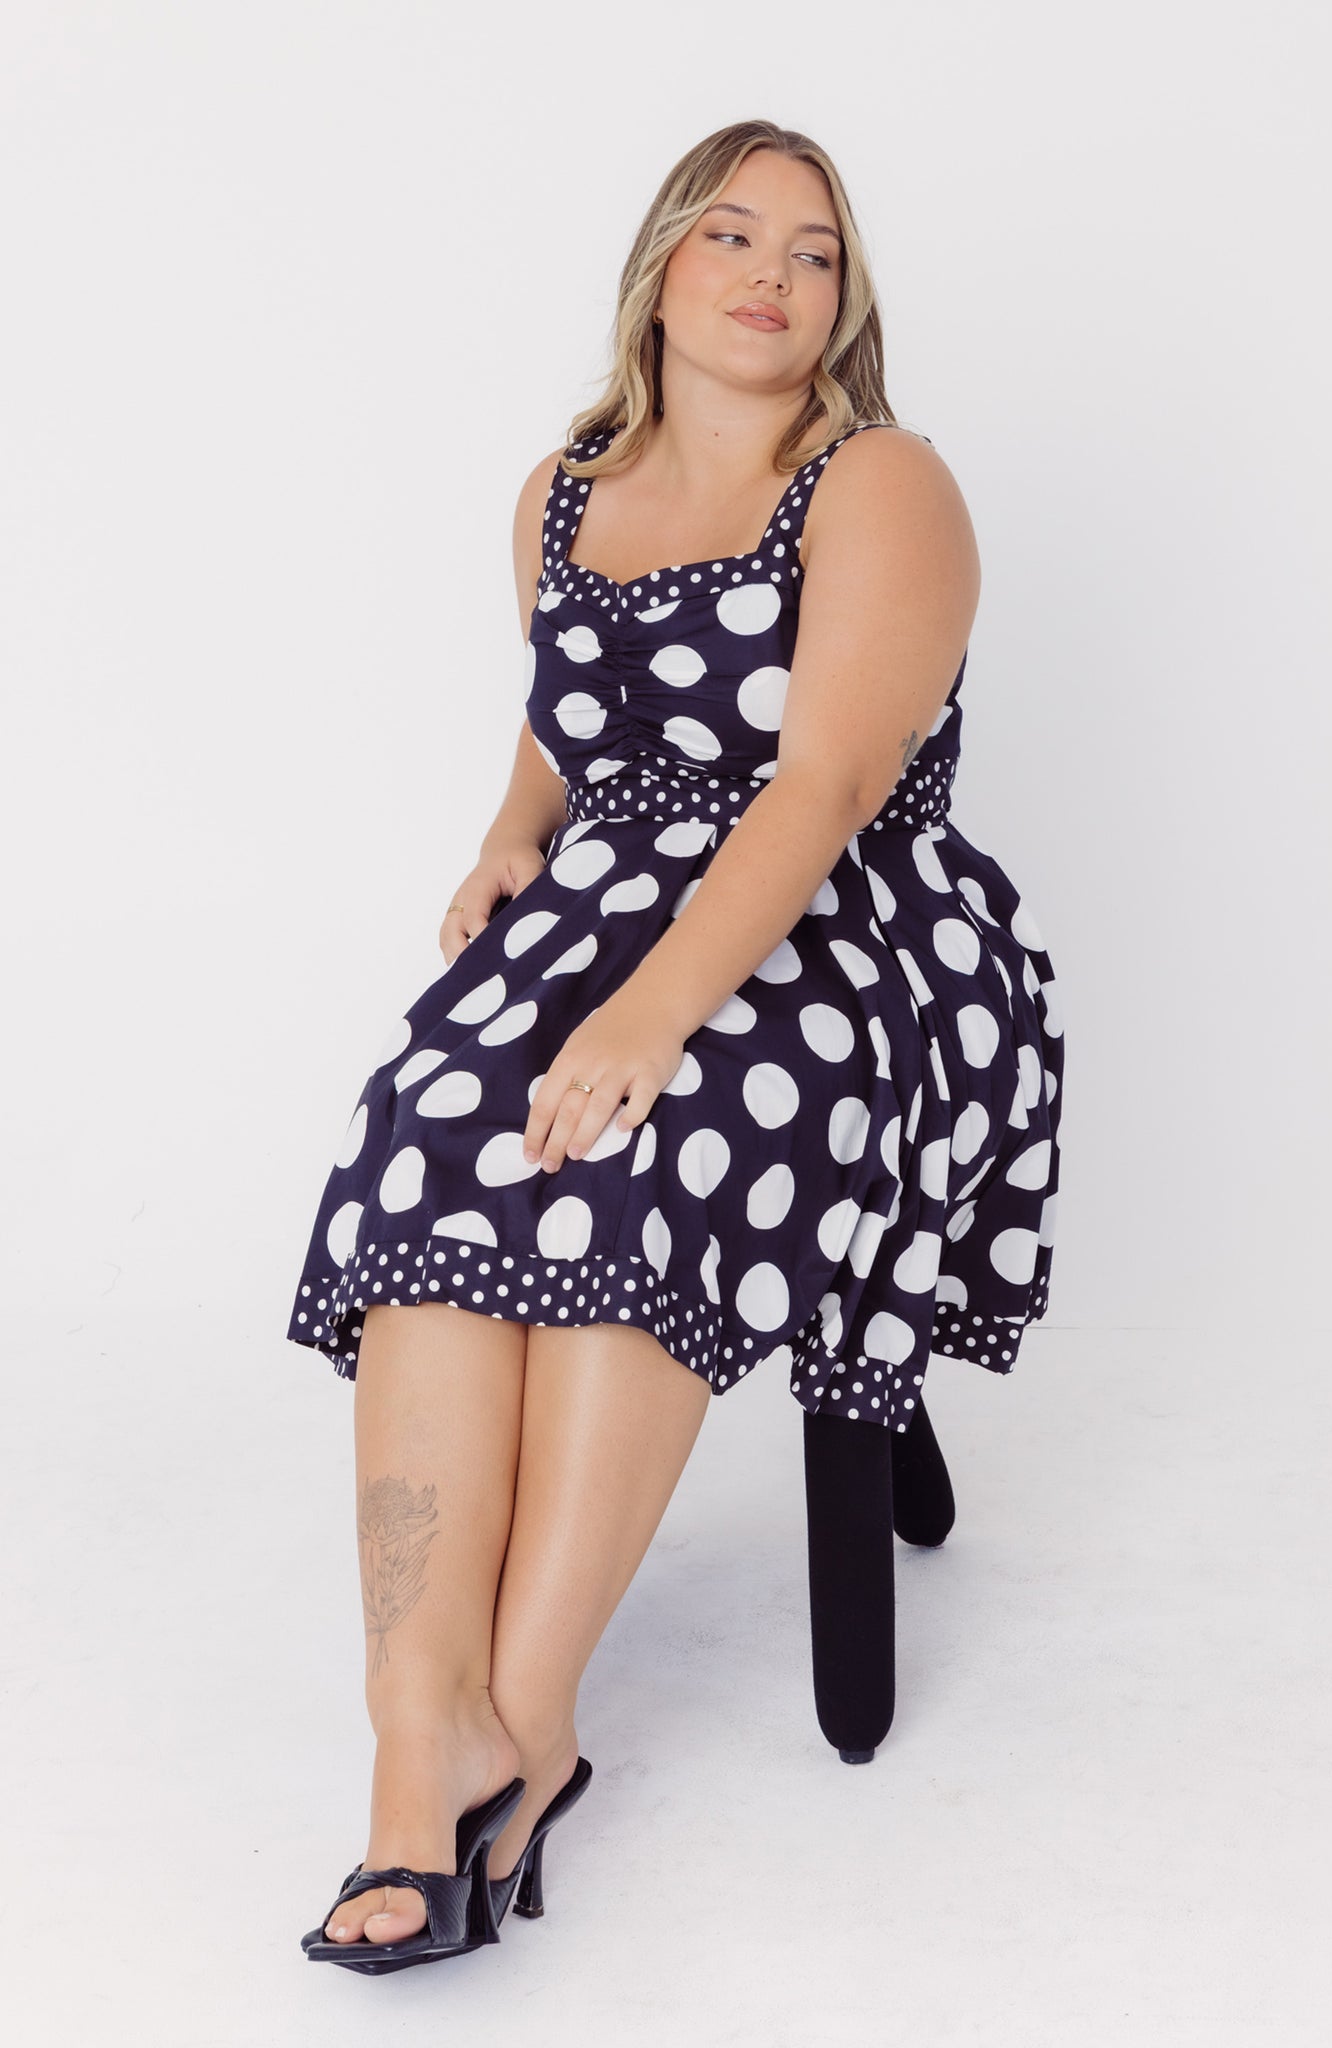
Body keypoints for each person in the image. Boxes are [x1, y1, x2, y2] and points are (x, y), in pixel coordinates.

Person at [290, 117, 1065, 1972]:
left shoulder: (878, 483)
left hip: (842, 928)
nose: (770, 275)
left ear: (840, 304)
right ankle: (422, 1751)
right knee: (430, 1153)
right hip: (600, 904)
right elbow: (573, 720)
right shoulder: (564, 489)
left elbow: (824, 786)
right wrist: (505, 835)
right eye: (732, 233)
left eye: (812, 253)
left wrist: (650, 1018)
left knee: (632, 1163)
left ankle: (524, 1720)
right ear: (659, 269)